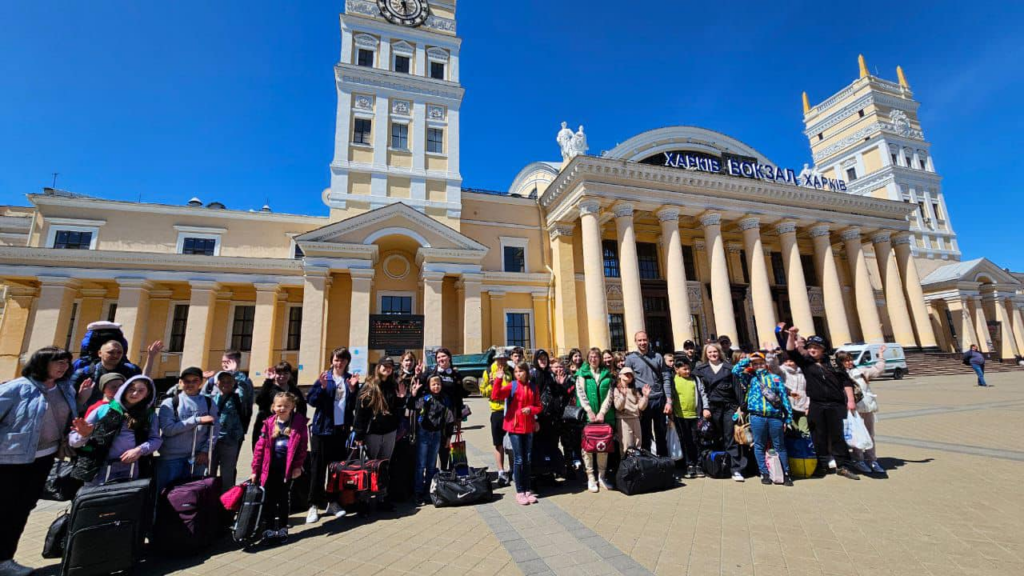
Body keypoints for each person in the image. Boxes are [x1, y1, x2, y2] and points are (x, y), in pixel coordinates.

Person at [0, 346, 75, 576]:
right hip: (11, 461)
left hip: (43, 459)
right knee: (4, 509)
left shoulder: (64, 389)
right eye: (58, 362)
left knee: (22, 508)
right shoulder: (17, 388)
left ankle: (5, 560)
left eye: (65, 362)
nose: (63, 366)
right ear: (42, 363)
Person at [785, 327, 860, 480]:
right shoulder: (806, 363)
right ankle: (821, 465)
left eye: (816, 347)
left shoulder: (833, 363)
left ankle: (843, 466)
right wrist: (792, 335)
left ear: (823, 349)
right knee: (818, 436)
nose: (812, 350)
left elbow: (846, 381)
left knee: (838, 436)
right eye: (810, 347)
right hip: (817, 405)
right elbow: (791, 351)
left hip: (836, 404)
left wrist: (851, 401)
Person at [69, 375, 161, 486]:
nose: (135, 394)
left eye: (141, 391)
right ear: (124, 390)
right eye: (131, 389)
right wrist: (84, 436)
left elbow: (156, 440)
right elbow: (74, 441)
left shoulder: (149, 416)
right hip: (97, 471)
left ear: (147, 394)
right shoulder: (103, 410)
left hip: (132, 470)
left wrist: (139, 450)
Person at [305, 347, 360, 523]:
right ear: (332, 361)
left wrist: (352, 390)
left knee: (336, 469)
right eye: (337, 359)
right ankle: (313, 504)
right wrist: (321, 388)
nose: (339, 362)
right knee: (318, 468)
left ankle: (333, 502)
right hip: (322, 430)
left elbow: (353, 407)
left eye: (343, 360)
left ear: (347, 362)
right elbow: (312, 401)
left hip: (340, 431)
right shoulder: (325, 378)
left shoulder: (349, 379)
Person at [251, 392, 308, 543]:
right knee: (269, 499)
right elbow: (259, 449)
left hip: (287, 469)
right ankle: (269, 529)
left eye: (286, 406)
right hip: (269, 469)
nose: (282, 408)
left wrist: (297, 466)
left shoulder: (299, 423)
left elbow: (302, 449)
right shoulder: (268, 423)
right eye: (279, 406)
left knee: (283, 499)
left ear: (292, 407)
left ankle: (282, 528)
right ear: (273, 407)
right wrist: (255, 470)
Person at [155, 366, 219, 497]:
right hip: (171, 458)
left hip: (197, 458)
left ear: (200, 382)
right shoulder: (170, 403)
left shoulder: (208, 402)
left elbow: (214, 429)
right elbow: (168, 430)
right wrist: (196, 420)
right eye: (186, 381)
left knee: (192, 497)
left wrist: (205, 450)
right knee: (166, 494)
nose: (190, 384)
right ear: (180, 382)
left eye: (194, 380)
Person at [732, 354, 793, 486]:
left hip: (774, 417)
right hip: (757, 416)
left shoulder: (775, 378)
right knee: (759, 445)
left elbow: (784, 399)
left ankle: (785, 473)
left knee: (779, 446)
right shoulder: (750, 378)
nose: (758, 366)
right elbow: (735, 370)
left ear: (766, 364)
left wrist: (788, 418)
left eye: (761, 363)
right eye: (755, 364)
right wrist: (749, 360)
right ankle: (764, 473)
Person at [353, 358, 403, 512]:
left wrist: (401, 399)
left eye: (390, 367)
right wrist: (359, 435)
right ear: (378, 367)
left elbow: (397, 410)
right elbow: (360, 412)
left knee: (384, 467)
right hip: (372, 433)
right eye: (385, 366)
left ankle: (382, 498)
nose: (388, 369)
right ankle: (364, 500)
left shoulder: (393, 385)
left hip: (389, 433)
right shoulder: (369, 386)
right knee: (369, 467)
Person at [694, 343, 746, 481]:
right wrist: (703, 408)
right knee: (712, 438)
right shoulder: (700, 369)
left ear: (720, 353)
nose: (712, 354)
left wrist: (741, 407)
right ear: (706, 354)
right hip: (711, 408)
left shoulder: (730, 368)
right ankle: (714, 466)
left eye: (715, 352)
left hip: (728, 407)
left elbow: (737, 388)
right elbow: (698, 391)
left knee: (730, 437)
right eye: (710, 352)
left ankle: (735, 469)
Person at [493, 361, 543, 506]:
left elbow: (539, 406)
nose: (518, 374)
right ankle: (519, 491)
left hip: (528, 427)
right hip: (514, 427)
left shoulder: (533, 387)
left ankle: (528, 490)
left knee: (527, 459)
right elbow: (496, 395)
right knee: (519, 459)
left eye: (520, 371)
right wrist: (498, 379)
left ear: (526, 372)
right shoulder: (513, 386)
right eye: (516, 372)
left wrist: (531, 410)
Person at [837, 346, 887, 476]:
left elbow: (877, 370)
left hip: (867, 407)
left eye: (850, 359)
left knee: (870, 435)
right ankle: (858, 460)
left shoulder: (861, 371)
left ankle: (872, 460)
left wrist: (880, 355)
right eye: (845, 360)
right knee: (856, 435)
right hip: (852, 410)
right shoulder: (839, 375)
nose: (849, 362)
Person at [625, 331, 673, 457]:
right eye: (639, 340)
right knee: (644, 434)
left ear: (648, 340)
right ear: (635, 342)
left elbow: (666, 378)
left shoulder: (657, 357)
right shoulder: (630, 359)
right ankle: (648, 462)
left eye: (644, 340)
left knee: (661, 433)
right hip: (643, 402)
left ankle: (663, 462)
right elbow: (628, 381)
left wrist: (668, 400)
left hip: (659, 399)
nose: (642, 343)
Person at [409, 375, 454, 505]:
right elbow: (413, 406)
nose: (436, 386)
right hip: (424, 433)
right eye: (433, 384)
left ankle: (429, 490)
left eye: (438, 384)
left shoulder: (445, 400)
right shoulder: (426, 398)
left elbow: (449, 420)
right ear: (429, 386)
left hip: (437, 435)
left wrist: (448, 437)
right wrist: (413, 394)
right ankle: (418, 492)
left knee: (431, 465)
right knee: (420, 465)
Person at [419, 348, 465, 471]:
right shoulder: (432, 372)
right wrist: (419, 374)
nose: (441, 359)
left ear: (449, 357)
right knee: (433, 445)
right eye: (438, 357)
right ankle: (432, 472)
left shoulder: (455, 375)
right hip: (433, 415)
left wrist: (459, 416)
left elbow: (459, 396)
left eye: (443, 356)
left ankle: (444, 471)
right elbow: (422, 385)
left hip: (449, 415)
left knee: (446, 444)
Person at [575, 348, 615, 493]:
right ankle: (591, 477)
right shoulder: (582, 374)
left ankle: (602, 476)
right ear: (587, 358)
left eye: (596, 357)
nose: (594, 359)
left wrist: (602, 412)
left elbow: (609, 395)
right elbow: (580, 393)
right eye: (591, 357)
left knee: (602, 446)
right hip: (588, 417)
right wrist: (589, 411)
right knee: (588, 448)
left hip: (602, 416)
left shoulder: (606, 374)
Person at [70, 339, 141, 414]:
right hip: (87, 418)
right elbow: (69, 401)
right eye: (111, 352)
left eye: (119, 352)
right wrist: (81, 399)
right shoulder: (84, 374)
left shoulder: (130, 372)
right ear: (100, 353)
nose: (115, 355)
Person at [670, 359, 710, 478]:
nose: (688, 371)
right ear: (677, 370)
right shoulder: (674, 380)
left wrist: (705, 408)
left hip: (695, 415)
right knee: (685, 441)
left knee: (696, 440)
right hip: (680, 416)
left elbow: (702, 394)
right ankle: (689, 465)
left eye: (689, 368)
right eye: (684, 369)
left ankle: (698, 464)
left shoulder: (695, 379)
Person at [253, 362, 305, 450]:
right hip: (267, 425)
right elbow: (259, 401)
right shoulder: (269, 387)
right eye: (279, 373)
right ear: (274, 374)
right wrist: (268, 381)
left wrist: (299, 421)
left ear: (290, 375)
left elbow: (302, 407)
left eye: (285, 373)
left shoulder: (294, 389)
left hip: (288, 426)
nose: (282, 376)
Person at [208, 371, 246, 492]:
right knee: (209, 472)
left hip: (230, 440)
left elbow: (245, 388)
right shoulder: (210, 398)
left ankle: (227, 502)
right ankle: (210, 499)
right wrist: (208, 379)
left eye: (229, 381)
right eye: (222, 381)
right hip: (211, 442)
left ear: (234, 383)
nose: (225, 384)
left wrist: (236, 371)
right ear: (217, 383)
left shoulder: (238, 397)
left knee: (227, 473)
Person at [480, 349, 513, 486]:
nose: (502, 361)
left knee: (511, 443)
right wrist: (492, 384)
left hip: (510, 411)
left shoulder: (510, 370)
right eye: (499, 359)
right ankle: (501, 471)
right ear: (495, 359)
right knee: (498, 443)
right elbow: (483, 391)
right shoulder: (488, 372)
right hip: (497, 411)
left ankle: (513, 470)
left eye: (504, 358)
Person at [202, 351, 254, 432]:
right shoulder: (214, 379)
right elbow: (203, 397)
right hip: (213, 427)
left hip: (234, 430)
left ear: (238, 362)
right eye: (223, 362)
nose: (225, 364)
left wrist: (235, 374)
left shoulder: (244, 380)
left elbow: (247, 403)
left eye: (229, 362)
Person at [552, 356, 582, 475]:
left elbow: (569, 392)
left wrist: (562, 385)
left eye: (561, 366)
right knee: (553, 444)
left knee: (568, 444)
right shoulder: (550, 379)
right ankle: (556, 468)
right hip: (553, 417)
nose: (559, 369)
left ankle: (570, 467)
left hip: (566, 416)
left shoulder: (570, 379)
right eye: (556, 367)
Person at [612, 367, 648, 452]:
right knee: (626, 445)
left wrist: (645, 397)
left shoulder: (634, 390)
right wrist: (622, 396)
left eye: (631, 375)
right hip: (623, 420)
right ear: (620, 376)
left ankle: (636, 463)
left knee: (638, 444)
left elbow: (641, 407)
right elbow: (618, 407)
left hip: (635, 418)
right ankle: (626, 463)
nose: (629, 376)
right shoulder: (617, 389)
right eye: (626, 374)